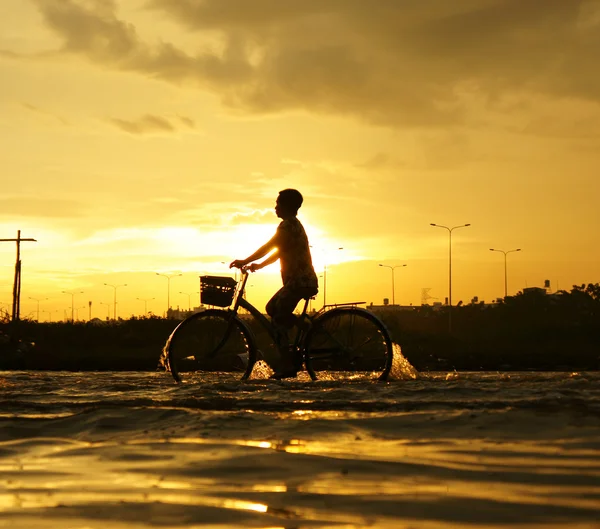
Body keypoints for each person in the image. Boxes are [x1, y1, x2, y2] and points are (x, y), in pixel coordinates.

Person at [230, 189, 318, 379]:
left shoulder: (287, 226)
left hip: (300, 281)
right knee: (272, 308)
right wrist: (259, 265)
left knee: (277, 316)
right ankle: (301, 325)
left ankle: (287, 364)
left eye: (278, 203)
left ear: (287, 206)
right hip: (299, 281)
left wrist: (244, 261)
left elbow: (269, 246)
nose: (275, 207)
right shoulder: (294, 226)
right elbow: (280, 251)